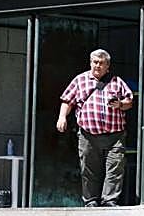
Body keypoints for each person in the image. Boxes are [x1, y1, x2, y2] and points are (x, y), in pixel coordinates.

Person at [57, 49, 134, 207]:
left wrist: (120, 104)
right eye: (95, 62)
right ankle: (91, 201)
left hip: (115, 136)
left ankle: (109, 201)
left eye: (101, 63)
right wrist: (62, 117)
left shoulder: (116, 81)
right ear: (90, 63)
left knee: (115, 169)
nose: (97, 65)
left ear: (107, 66)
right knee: (89, 170)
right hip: (88, 135)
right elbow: (67, 101)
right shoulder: (80, 80)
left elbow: (129, 101)